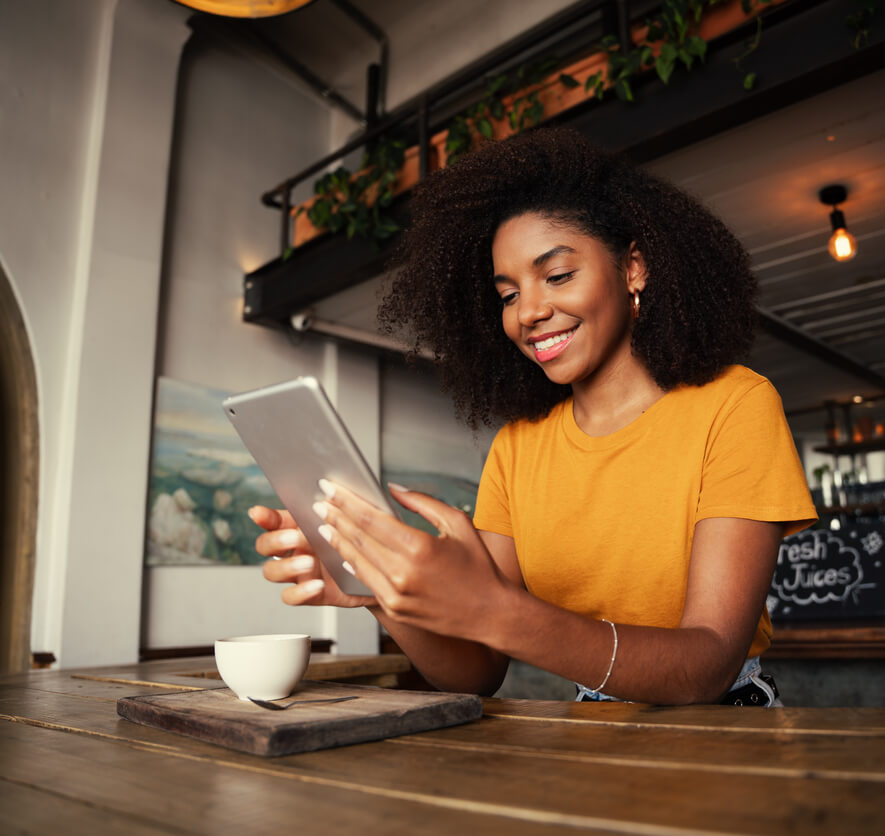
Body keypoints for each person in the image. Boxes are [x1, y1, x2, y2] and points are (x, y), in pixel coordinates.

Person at [251, 127, 816, 705]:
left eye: (558, 275)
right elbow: (477, 671)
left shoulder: (735, 406)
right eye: (508, 294)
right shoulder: (518, 448)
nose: (531, 312)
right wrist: (378, 590)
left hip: (724, 740)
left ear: (634, 269)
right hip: (586, 747)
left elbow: (707, 665)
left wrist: (498, 611)